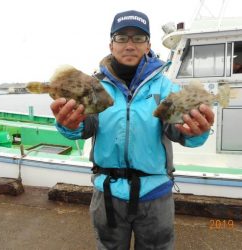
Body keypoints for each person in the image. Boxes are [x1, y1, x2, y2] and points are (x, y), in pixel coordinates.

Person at [50, 10, 214, 250]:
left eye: (138, 38)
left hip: (155, 194)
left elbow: (177, 130)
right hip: (107, 193)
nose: (129, 45)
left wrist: (196, 132)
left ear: (148, 44)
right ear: (111, 44)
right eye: (121, 37)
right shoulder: (94, 86)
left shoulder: (166, 88)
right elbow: (87, 125)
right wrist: (70, 125)